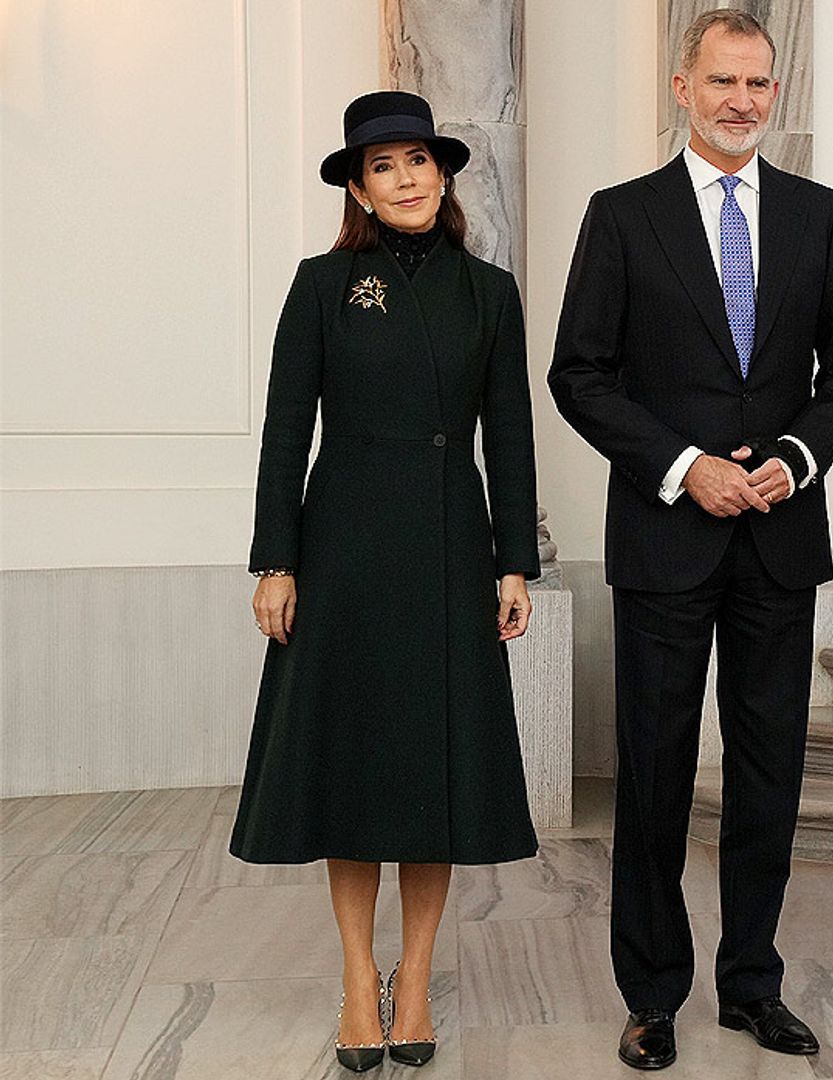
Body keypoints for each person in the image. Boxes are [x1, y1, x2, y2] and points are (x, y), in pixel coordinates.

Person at [547, 9, 833, 1071]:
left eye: (760, 84)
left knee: (770, 770)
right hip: (665, 537)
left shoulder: (818, 216)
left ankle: (752, 985)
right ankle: (651, 995)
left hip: (780, 540)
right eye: (724, 81)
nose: (744, 100)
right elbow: (579, 374)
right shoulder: (622, 216)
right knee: (652, 772)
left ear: (775, 95)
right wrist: (687, 468)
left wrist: (796, 452)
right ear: (681, 89)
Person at [233, 90, 539, 1072]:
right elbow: (287, 429)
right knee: (355, 764)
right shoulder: (324, 284)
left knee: (433, 768)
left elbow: (514, 437)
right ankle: (357, 976)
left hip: (452, 539)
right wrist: (277, 558)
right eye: (384, 166)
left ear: (441, 173)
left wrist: (513, 561)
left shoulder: (489, 291)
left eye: (419, 161)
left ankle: (414, 979)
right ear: (359, 188)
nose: (407, 179)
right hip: (347, 544)